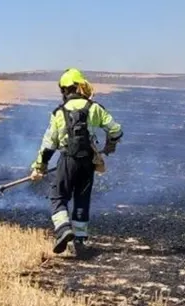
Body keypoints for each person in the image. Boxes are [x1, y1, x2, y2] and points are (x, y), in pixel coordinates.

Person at [31, 68, 123, 255]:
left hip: (67, 160)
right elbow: (116, 130)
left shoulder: (59, 113)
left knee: (58, 197)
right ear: (81, 86)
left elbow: (49, 145)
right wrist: (110, 145)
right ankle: (79, 241)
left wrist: (40, 167)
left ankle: (64, 230)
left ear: (64, 90)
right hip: (88, 162)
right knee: (82, 199)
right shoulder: (94, 108)